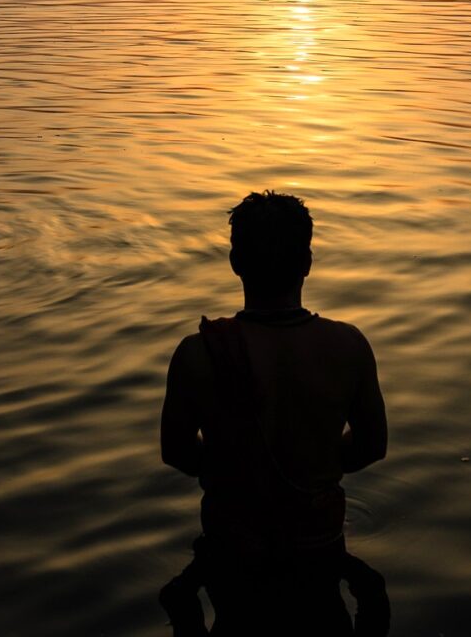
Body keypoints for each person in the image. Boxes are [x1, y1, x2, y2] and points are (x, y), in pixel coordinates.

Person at [160, 190, 389, 635]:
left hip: (231, 549)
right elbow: (371, 446)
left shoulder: (197, 353)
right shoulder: (349, 346)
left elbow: (177, 453)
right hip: (319, 546)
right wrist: (315, 459)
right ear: (307, 262)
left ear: (234, 261)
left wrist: (236, 466)